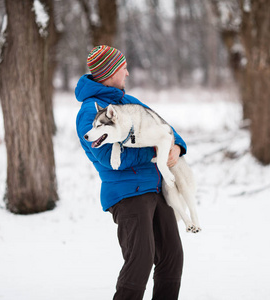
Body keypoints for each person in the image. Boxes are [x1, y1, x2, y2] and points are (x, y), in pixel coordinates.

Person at [75, 45, 187, 300]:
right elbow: (107, 158)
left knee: (172, 257)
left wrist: (177, 146)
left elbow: (163, 127)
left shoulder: (128, 101)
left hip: (157, 188)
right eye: (123, 68)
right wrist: (154, 151)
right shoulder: (91, 111)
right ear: (109, 72)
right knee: (140, 260)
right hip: (127, 193)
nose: (127, 73)